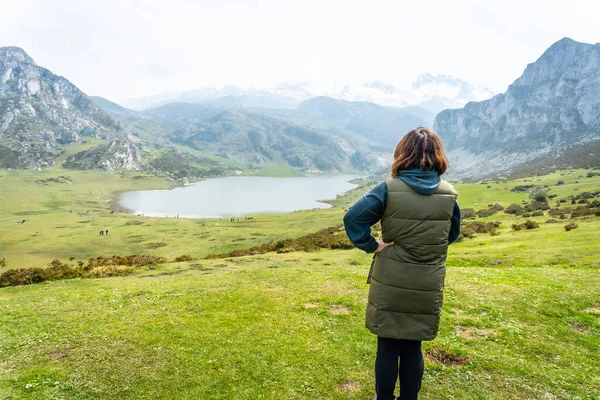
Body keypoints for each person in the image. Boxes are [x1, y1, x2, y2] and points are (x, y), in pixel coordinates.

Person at [343, 127, 461, 400]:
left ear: (402, 154)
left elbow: (353, 218)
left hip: (391, 280)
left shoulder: (388, 189)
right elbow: (451, 234)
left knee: (387, 346)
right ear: (438, 156)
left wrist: (373, 245)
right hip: (427, 281)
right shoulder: (449, 193)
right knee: (413, 346)